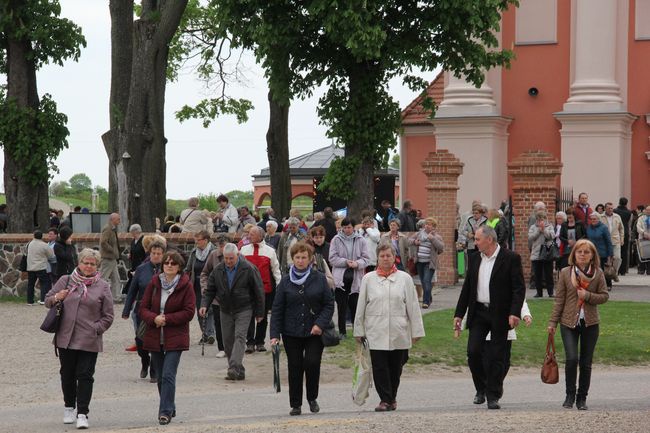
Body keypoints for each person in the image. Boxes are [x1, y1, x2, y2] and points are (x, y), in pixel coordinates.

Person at [453, 226, 525, 410]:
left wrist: (515, 312)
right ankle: (481, 388)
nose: (475, 243)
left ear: (489, 240)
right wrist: (459, 314)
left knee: (497, 356)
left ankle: (493, 395)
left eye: (477, 239)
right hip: (479, 312)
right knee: (473, 352)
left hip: (500, 313)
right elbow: (467, 288)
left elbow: (519, 288)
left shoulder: (510, 258)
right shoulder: (475, 258)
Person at [44, 248, 114, 429]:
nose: (89, 266)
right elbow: (47, 300)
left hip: (89, 339)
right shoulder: (65, 280)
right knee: (67, 375)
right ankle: (69, 407)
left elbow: (108, 316)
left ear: (97, 266)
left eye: (92, 264)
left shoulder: (103, 286)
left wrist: (96, 329)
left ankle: (83, 413)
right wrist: (57, 297)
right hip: (66, 337)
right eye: (86, 262)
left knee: (85, 376)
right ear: (79, 263)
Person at [354, 243, 424, 412]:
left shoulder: (404, 278)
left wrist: (416, 331)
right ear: (377, 258)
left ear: (394, 258)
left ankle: (392, 398)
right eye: (382, 256)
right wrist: (359, 330)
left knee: (395, 367)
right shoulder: (368, 279)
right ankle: (385, 399)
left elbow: (413, 306)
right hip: (375, 330)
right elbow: (361, 305)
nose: (385, 259)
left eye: (389, 256)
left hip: (398, 330)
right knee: (379, 367)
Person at [270, 242, 335, 416]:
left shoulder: (319, 278)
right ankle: (296, 404)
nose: (300, 261)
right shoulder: (285, 281)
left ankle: (312, 397)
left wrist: (319, 324)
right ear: (292, 259)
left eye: (304, 257)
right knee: (295, 366)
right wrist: (274, 335)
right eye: (297, 257)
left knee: (312, 363)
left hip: (314, 330)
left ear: (310, 259)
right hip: (291, 331)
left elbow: (329, 304)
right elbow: (277, 309)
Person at [547, 239, 609, 411]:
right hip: (568, 322)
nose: (582, 255)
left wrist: (587, 295)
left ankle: (582, 398)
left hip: (590, 323)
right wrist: (552, 322)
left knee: (586, 362)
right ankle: (569, 395)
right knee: (572, 358)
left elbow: (604, 296)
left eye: (586, 252)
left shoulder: (598, 274)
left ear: (592, 256)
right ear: (574, 254)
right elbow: (559, 299)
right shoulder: (566, 273)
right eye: (579, 252)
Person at [139, 251, 195, 425]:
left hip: (175, 337)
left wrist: (167, 319)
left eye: (173, 263)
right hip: (155, 336)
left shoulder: (186, 285)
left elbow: (189, 311)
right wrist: (153, 318)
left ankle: (164, 412)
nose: (169, 265)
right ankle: (170, 405)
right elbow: (143, 308)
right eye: (166, 263)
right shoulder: (154, 283)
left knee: (169, 374)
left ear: (179, 267)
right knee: (161, 377)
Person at [199, 243, 264, 380]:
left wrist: (259, 312)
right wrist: (204, 304)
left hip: (244, 308)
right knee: (227, 341)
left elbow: (259, 291)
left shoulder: (248, 268)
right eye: (226, 258)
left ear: (238, 255)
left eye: (231, 258)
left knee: (240, 337)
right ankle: (238, 370)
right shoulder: (218, 270)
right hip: (225, 309)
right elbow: (210, 290)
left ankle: (233, 367)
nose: (228, 261)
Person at [122, 239, 166, 381]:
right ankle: (144, 360)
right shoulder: (142, 269)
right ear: (150, 253)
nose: (156, 256)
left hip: (160, 310)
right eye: (154, 253)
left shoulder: (168, 269)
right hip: (141, 309)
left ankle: (154, 370)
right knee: (140, 341)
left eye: (159, 253)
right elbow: (132, 290)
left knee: (156, 341)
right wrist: (126, 310)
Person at [240, 227, 282, 353]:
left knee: (262, 316)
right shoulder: (243, 250)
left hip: (265, 289)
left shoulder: (270, 251)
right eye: (249, 234)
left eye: (252, 234)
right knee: (249, 315)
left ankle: (260, 342)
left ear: (260, 236)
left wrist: (279, 285)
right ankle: (250, 342)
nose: (249, 236)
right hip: (247, 289)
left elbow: (276, 270)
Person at [329, 217, 370, 338]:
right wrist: (346, 262)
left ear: (353, 228)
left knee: (355, 305)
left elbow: (366, 259)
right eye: (344, 227)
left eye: (349, 227)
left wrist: (357, 264)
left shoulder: (361, 240)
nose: (347, 230)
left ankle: (356, 331)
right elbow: (332, 258)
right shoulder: (336, 239)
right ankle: (342, 331)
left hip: (356, 277)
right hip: (340, 278)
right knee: (341, 306)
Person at [184, 230, 217, 344]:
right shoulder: (194, 252)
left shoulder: (214, 251)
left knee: (211, 309)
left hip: (211, 285)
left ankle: (211, 333)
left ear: (206, 240)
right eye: (195, 240)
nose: (196, 242)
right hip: (196, 285)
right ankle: (205, 334)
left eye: (199, 240)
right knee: (200, 310)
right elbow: (188, 269)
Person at [199, 235, 228, 358]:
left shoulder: (235, 255)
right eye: (219, 246)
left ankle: (232, 346)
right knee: (218, 322)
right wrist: (205, 287)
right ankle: (222, 347)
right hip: (216, 295)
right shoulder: (213, 255)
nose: (221, 249)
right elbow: (204, 273)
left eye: (224, 246)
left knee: (231, 323)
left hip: (233, 296)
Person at [409, 217, 444, 309]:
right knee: (423, 282)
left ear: (433, 227)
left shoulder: (436, 236)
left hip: (429, 263)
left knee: (426, 280)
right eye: (426, 224)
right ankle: (429, 297)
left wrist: (432, 239)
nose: (427, 225)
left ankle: (425, 302)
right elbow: (408, 240)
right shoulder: (419, 234)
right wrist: (415, 242)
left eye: (429, 224)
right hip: (419, 262)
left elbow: (441, 247)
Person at [528, 210, 555, 298]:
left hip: (547, 253)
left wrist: (544, 231)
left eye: (542, 219)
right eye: (539, 219)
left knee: (548, 274)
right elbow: (530, 238)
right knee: (537, 274)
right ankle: (539, 293)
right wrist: (538, 231)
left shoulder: (550, 226)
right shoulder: (533, 227)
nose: (540, 221)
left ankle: (550, 292)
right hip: (536, 253)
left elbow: (552, 236)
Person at [25, 230, 55, 305]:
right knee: (45, 283)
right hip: (41, 267)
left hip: (30, 267)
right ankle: (43, 299)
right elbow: (51, 255)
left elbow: (26, 253)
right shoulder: (44, 245)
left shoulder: (29, 244)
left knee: (30, 284)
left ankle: (30, 301)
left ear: (34, 236)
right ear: (41, 236)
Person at [586, 213, 614, 290]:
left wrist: (610, 255)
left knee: (603, 270)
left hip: (602, 253)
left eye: (594, 219)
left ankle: (608, 284)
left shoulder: (604, 228)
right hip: (591, 253)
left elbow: (608, 241)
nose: (593, 221)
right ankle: (596, 286)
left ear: (598, 219)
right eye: (591, 219)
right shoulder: (588, 228)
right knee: (592, 270)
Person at [99, 213, 122, 299]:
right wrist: (112, 250)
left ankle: (115, 296)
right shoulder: (108, 228)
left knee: (116, 278)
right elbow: (103, 242)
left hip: (112, 258)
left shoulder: (112, 228)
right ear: (112, 219)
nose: (119, 221)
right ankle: (99, 295)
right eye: (118, 219)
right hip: (107, 258)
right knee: (103, 278)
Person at [601, 203, 624, 281]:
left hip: (615, 240)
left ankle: (614, 273)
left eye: (611, 208)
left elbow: (621, 229)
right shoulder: (601, 217)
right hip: (604, 241)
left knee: (617, 258)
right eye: (609, 208)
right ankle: (607, 275)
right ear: (605, 209)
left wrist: (622, 239)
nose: (610, 210)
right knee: (606, 260)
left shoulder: (617, 217)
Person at [613, 197, 632, 275]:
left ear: (619, 202)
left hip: (616, 232)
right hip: (626, 232)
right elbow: (629, 223)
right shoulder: (629, 212)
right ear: (626, 203)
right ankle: (623, 270)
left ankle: (616, 269)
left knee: (616, 251)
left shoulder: (615, 211)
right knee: (624, 251)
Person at [636, 205, 650, 275]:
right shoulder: (641, 218)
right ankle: (641, 269)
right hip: (642, 238)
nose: (648, 211)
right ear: (645, 210)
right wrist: (644, 233)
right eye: (647, 210)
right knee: (642, 255)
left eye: (649, 210)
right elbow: (638, 227)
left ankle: (649, 269)